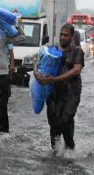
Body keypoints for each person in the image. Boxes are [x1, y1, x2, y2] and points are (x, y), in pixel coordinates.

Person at [34, 24, 84, 152]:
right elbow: (37, 62)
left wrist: (55, 79)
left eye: (66, 35)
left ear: (72, 37)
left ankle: (70, 150)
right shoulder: (51, 49)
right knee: (53, 124)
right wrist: (36, 73)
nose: (62, 37)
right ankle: (55, 156)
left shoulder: (77, 51)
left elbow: (77, 69)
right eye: (61, 34)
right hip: (54, 93)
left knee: (65, 120)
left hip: (71, 93)